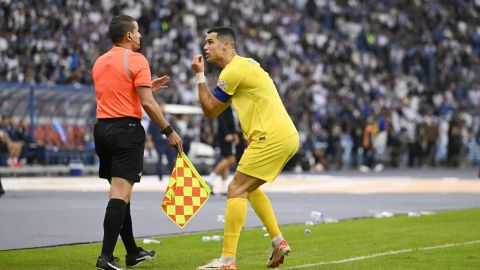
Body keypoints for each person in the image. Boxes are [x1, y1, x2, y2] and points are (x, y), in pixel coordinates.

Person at [191, 26, 299, 269]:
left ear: (226, 46)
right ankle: (278, 241)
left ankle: (227, 260)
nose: (205, 47)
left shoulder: (233, 71)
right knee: (248, 188)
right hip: (284, 135)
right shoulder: (246, 65)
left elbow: (208, 110)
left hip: (270, 137)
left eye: (210, 42)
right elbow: (217, 108)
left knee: (235, 188)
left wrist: (199, 75)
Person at [92, 15, 182, 270]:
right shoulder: (136, 59)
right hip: (126, 131)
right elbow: (147, 103)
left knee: (122, 195)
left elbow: (116, 91)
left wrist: (146, 85)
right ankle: (105, 258)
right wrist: (168, 130)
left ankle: (132, 252)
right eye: (138, 31)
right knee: (120, 195)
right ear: (129, 36)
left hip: (102, 129)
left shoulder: (99, 62)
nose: (140, 36)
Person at [204, 105, 239, 195]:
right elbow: (222, 119)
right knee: (230, 159)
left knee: (225, 160)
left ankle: (224, 187)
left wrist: (234, 134)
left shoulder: (229, 105)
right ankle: (209, 179)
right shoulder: (225, 104)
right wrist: (228, 133)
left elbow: (232, 122)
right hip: (225, 135)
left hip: (227, 135)